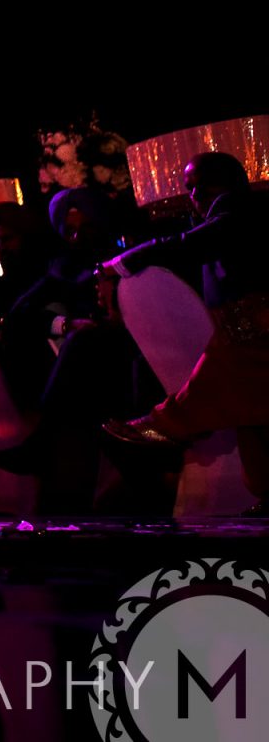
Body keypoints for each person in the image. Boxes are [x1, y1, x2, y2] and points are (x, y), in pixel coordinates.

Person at [101, 152, 267, 495]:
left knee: (236, 369)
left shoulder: (237, 209)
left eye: (197, 187)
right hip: (244, 333)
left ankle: (170, 422)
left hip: (256, 332)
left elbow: (190, 244)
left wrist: (122, 262)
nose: (192, 197)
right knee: (253, 412)